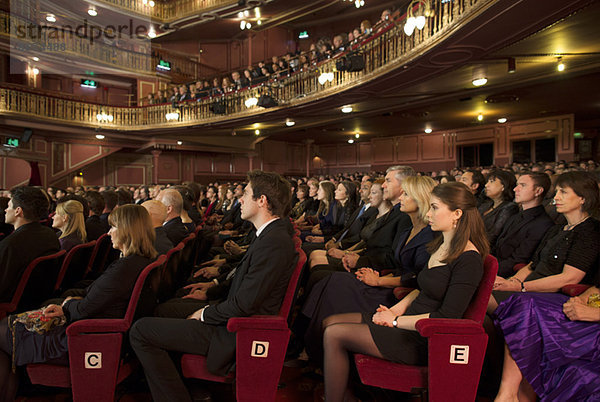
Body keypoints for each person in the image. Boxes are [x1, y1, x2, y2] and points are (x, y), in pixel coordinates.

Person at [129, 171, 298, 401]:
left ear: (262, 200)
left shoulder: (275, 242)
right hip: (229, 314)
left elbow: (246, 304)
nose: (240, 199)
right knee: (163, 310)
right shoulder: (268, 235)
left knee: (140, 331)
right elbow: (244, 281)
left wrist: (205, 314)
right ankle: (186, 387)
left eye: (246, 194)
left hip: (234, 330)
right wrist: (210, 291)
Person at [321, 182, 489, 401]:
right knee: (329, 322)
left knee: (334, 334)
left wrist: (394, 322)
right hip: (407, 320)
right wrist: (396, 310)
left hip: (422, 337)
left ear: (457, 213)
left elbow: (446, 317)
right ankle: (348, 393)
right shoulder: (442, 244)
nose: (428, 213)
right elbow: (421, 288)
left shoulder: (469, 260)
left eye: (435, 208)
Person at [0, 204, 157, 401]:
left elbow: (83, 309)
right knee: (6, 330)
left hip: (84, 337)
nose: (109, 232)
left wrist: (66, 304)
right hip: (92, 329)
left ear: (127, 230)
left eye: (113, 227)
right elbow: (93, 297)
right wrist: (71, 302)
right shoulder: (137, 260)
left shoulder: (125, 268)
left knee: (3, 332)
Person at [301, 176, 436, 362]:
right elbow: (396, 265)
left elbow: (417, 278)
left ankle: (314, 351)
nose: (401, 198)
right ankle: (309, 341)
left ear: (420, 199)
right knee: (332, 281)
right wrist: (375, 275)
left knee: (336, 284)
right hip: (386, 279)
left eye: (406, 194)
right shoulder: (408, 229)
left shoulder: (429, 234)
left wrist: (379, 280)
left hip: (398, 294)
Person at [490, 171, 600, 311]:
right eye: (557, 192)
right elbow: (532, 265)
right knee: (480, 294)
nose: (556, 198)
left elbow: (570, 278)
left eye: (563, 192)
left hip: (550, 295)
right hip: (529, 287)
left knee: (480, 301)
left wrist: (520, 287)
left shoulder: (590, 231)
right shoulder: (557, 228)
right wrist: (511, 281)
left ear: (582, 198)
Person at [493, 284, 600, 401]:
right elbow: (597, 287)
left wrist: (595, 314)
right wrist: (581, 300)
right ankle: (508, 394)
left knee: (582, 376)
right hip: (590, 315)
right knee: (526, 304)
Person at [0, 186, 60, 303]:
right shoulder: (50, 234)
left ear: (18, 211)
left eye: (8, 206)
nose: (6, 210)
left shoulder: (10, 245)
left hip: (15, 304)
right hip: (40, 298)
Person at [492, 172, 554, 277]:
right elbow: (497, 245)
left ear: (538, 191)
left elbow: (518, 260)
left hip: (508, 275)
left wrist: (487, 270)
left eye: (523, 185)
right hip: (495, 265)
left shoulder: (543, 224)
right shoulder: (515, 216)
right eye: (517, 185)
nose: (515, 189)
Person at [478, 170, 519, 246]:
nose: (486, 185)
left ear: (503, 186)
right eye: (487, 182)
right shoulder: (487, 204)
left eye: (492, 182)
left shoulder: (509, 208)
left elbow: (493, 236)